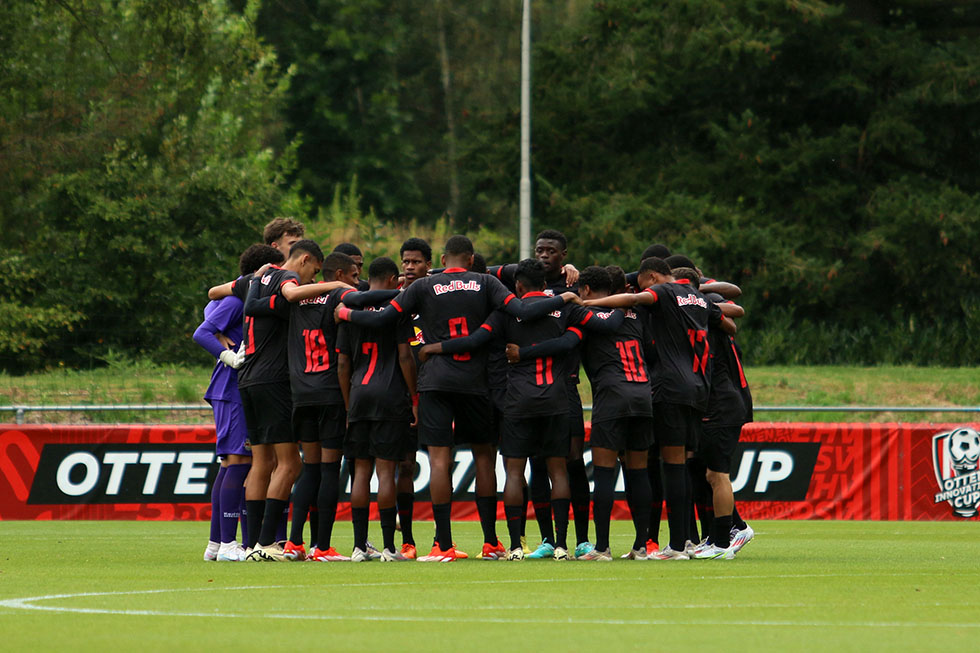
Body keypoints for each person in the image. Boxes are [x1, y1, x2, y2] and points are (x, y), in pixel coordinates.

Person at [335, 235, 577, 562]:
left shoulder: (423, 287)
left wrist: (345, 313)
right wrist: (565, 298)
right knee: (484, 458)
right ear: (471, 257)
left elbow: (382, 318)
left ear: (443, 260)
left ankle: (443, 545)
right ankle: (491, 542)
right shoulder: (486, 282)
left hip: (436, 380)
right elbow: (521, 309)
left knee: (438, 459)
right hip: (475, 383)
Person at [582, 257, 734, 561]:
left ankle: (676, 545)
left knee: (672, 467)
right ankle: (685, 542)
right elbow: (730, 324)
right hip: (698, 387)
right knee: (682, 467)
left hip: (670, 388)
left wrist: (588, 305)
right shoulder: (700, 299)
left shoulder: (663, 292)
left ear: (652, 276)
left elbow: (634, 299)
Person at [194, 244, 283, 562]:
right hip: (231, 387)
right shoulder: (236, 297)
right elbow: (202, 330)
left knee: (233, 463)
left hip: (237, 389)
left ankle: (219, 543)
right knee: (239, 462)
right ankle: (229, 543)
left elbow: (210, 310)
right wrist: (228, 355)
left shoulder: (242, 296)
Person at [238, 240, 324, 561]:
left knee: (263, 463)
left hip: (246, 378)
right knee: (291, 463)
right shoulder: (286, 279)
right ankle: (265, 544)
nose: (311, 281)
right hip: (273, 380)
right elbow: (290, 293)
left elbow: (215, 292)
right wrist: (335, 284)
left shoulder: (256, 280)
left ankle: (250, 544)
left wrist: (257, 278)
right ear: (303, 261)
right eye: (313, 273)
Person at [279, 251, 364, 562]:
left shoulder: (297, 298)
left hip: (301, 395)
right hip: (329, 394)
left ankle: (294, 543)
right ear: (339, 275)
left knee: (309, 470)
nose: (357, 281)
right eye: (354, 275)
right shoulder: (338, 296)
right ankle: (323, 547)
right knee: (330, 471)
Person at [337, 257, 418, 562]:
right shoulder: (397, 311)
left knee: (360, 472)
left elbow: (342, 364)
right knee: (386, 473)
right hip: (390, 396)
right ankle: (388, 547)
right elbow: (405, 357)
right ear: (393, 279)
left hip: (359, 394)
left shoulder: (350, 311)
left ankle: (359, 547)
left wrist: (348, 405)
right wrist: (414, 398)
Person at [394, 237, 433, 559]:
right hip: (402, 397)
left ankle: (442, 540)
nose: (409, 267)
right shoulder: (394, 300)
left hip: (437, 392)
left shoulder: (439, 299)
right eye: (405, 262)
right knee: (404, 465)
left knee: (440, 462)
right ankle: (406, 540)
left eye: (416, 262)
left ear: (429, 265)